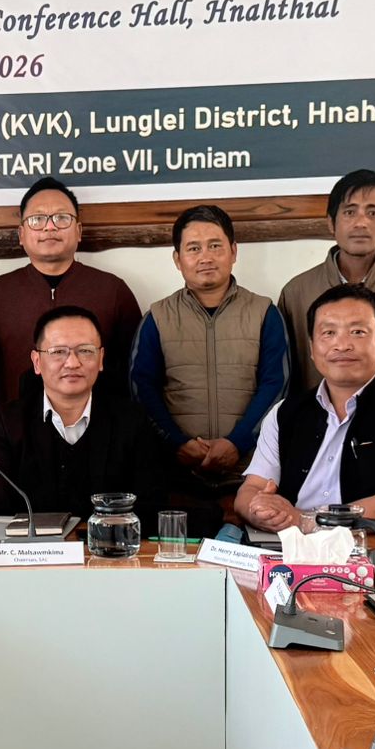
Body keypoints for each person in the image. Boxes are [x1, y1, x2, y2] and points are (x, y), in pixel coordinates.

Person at [236, 284, 375, 532]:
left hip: (370, 545)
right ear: (312, 348)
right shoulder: (284, 413)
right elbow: (251, 489)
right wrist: (260, 510)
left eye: (357, 332)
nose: (342, 345)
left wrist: (306, 521)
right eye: (328, 333)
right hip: (287, 544)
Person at [129, 205, 289, 526]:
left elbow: (277, 386)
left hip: (249, 477)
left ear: (233, 252)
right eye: (194, 248)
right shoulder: (157, 317)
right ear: (178, 259)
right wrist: (177, 444)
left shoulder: (264, 312)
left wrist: (237, 443)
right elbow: (140, 389)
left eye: (215, 245)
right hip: (177, 478)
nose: (205, 257)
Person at [0, 305, 165, 528]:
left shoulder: (131, 421)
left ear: (101, 359)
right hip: (31, 548)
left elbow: (149, 507)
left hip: (109, 546)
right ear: (37, 362)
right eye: (58, 352)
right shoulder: (6, 424)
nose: (72, 363)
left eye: (85, 351)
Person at [0, 176, 141, 407]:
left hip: (100, 424)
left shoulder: (113, 290)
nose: (50, 227)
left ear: (78, 231)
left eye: (62, 218)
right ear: (21, 234)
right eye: (37, 219)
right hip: (17, 425)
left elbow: (134, 371)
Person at [278, 169, 375, 392]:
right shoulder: (296, 293)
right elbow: (286, 375)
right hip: (318, 412)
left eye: (373, 213)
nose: (361, 223)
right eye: (350, 212)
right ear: (331, 222)